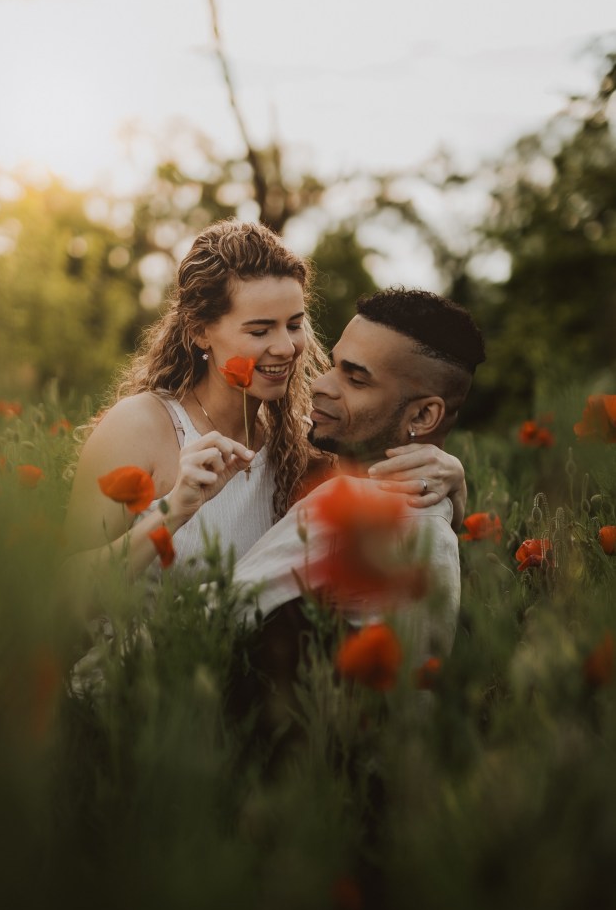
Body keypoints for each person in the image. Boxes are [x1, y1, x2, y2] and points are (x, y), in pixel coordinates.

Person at [60, 221, 466, 622]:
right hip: (130, 676)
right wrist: (172, 510)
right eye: (260, 331)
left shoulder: (298, 440)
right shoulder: (142, 425)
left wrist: (455, 483)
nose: (286, 347)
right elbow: (63, 595)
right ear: (201, 331)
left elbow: (391, 523)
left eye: (294, 325)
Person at [224, 288, 485, 755]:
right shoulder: (430, 511)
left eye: (356, 379)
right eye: (333, 364)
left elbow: (215, 615)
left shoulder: (355, 510)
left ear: (424, 415)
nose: (321, 385)